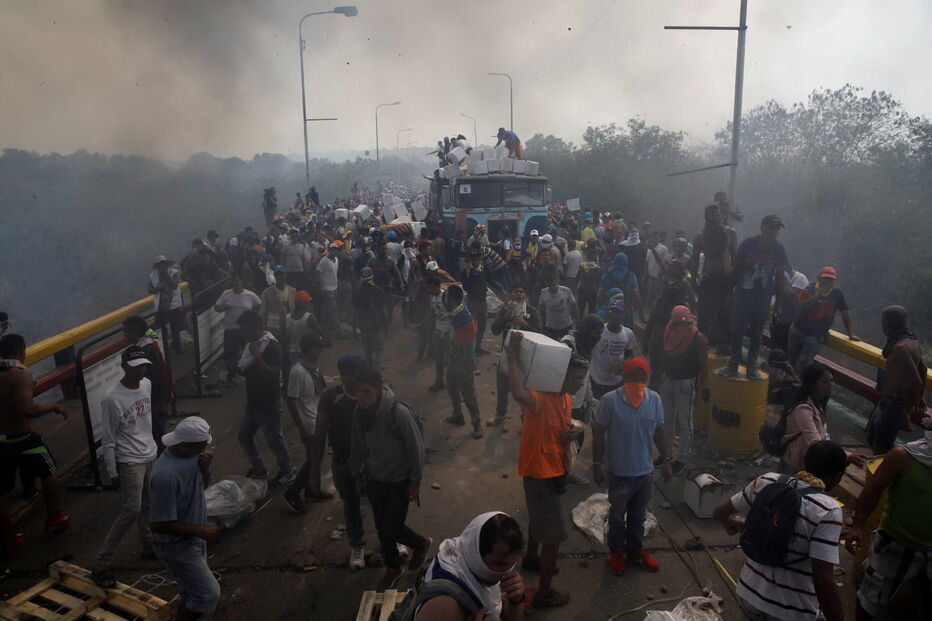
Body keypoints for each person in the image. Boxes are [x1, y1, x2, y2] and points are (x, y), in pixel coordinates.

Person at [712, 441, 847, 621]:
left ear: (804, 463)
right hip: (792, 610)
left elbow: (719, 513)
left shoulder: (767, 480)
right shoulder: (828, 510)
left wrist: (735, 524)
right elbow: (823, 579)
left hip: (750, 594)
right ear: (836, 477)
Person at [506, 332, 588, 609]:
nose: (581, 384)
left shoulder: (564, 399)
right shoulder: (540, 397)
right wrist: (512, 355)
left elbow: (567, 424)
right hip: (540, 472)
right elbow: (518, 392)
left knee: (539, 520)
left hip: (553, 469)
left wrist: (576, 428)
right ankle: (544, 592)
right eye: (577, 379)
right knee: (553, 537)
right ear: (562, 375)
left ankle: (530, 558)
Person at [350, 368, 432, 591]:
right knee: (381, 526)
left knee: (392, 527)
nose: (361, 396)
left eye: (366, 391)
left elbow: (416, 448)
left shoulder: (398, 413)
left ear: (378, 389)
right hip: (375, 478)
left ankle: (421, 543)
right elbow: (357, 445)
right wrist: (356, 475)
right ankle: (393, 567)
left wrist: (415, 481)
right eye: (357, 391)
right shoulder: (359, 412)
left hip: (399, 481)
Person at [592, 358, 672, 576]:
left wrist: (666, 461)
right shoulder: (610, 400)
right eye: (633, 378)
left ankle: (635, 552)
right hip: (618, 472)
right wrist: (597, 462)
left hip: (644, 473)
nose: (638, 382)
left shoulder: (654, 399)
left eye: (642, 378)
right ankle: (616, 552)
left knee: (638, 516)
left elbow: (659, 431)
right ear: (624, 378)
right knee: (617, 516)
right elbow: (598, 431)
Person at [845, 425, 932, 620]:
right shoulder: (903, 456)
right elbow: (873, 489)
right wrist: (857, 526)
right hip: (894, 543)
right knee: (870, 601)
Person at [92, 346, 158, 584]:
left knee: (149, 504)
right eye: (135, 366)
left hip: (150, 453)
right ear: (123, 367)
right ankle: (103, 560)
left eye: (143, 365)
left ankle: (149, 546)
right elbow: (108, 439)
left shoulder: (147, 384)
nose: (141, 369)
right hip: (129, 460)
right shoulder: (112, 398)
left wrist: (153, 449)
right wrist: (112, 470)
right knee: (131, 509)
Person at [0, 334, 69, 557]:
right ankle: (54, 517)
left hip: (1, 441)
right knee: (50, 473)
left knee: (2, 490)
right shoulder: (19, 374)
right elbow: (26, 409)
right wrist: (52, 407)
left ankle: (7, 540)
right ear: (21, 351)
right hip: (21, 438)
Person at [149, 416, 221, 621]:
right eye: (202, 446)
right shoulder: (166, 478)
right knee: (208, 594)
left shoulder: (191, 456)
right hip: (176, 546)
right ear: (187, 445)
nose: (205, 449)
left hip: (192, 540)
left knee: (191, 592)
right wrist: (200, 530)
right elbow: (158, 524)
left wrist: (205, 468)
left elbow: (201, 486)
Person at [309, 354, 369, 570]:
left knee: (383, 503)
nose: (348, 379)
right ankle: (357, 545)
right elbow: (320, 433)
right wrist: (314, 472)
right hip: (343, 461)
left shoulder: (373, 395)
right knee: (351, 505)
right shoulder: (331, 396)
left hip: (372, 463)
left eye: (352, 374)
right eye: (344, 374)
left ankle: (393, 537)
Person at [415, 513, 526, 621]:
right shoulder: (445, 607)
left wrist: (516, 601)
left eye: (512, 564)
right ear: (476, 555)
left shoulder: (469, 551)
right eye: (499, 564)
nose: (506, 572)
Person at [723, 215, 789, 380]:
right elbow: (736, 269)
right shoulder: (748, 244)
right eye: (771, 228)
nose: (774, 232)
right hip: (743, 294)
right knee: (738, 330)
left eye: (777, 228)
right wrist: (727, 293)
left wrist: (778, 304)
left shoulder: (779, 249)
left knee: (757, 333)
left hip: (763, 297)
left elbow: (780, 278)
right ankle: (733, 364)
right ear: (762, 228)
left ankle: (751, 367)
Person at [236, 310, 295, 487]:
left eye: (246, 330)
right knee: (244, 436)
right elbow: (246, 368)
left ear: (257, 327)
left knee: (274, 439)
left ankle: (287, 471)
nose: (244, 334)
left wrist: (258, 358)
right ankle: (259, 468)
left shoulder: (271, 346)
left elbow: (273, 374)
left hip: (268, 401)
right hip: (253, 400)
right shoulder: (253, 344)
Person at [781, 362, 868, 473]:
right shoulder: (803, 410)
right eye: (825, 381)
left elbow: (824, 436)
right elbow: (816, 442)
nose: (830, 384)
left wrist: (845, 454)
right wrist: (846, 455)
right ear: (812, 384)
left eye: (831, 380)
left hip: (806, 463)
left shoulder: (818, 404)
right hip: (793, 465)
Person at [866, 305, 927, 454]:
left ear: (887, 324)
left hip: (894, 403)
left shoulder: (901, 348)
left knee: (882, 447)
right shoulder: (913, 342)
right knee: (871, 436)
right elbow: (923, 370)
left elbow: (916, 381)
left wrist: (906, 412)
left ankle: (883, 474)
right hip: (887, 399)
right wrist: (920, 397)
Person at [283, 332, 330, 514]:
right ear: (311, 349)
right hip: (309, 425)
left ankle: (312, 490)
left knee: (316, 459)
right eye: (318, 347)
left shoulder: (312, 367)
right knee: (313, 460)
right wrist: (302, 427)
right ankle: (293, 492)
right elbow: (291, 400)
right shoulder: (298, 371)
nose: (321, 350)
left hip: (317, 421)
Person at [658, 306, 708, 475]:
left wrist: (700, 391)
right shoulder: (668, 333)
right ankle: (666, 455)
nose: (680, 327)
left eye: (684, 323)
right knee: (667, 421)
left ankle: (682, 459)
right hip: (668, 380)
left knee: (685, 424)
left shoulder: (697, 338)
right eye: (677, 323)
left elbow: (704, 367)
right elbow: (661, 357)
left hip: (685, 384)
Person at [488, 285, 540, 429]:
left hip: (525, 357)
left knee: (525, 390)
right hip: (506, 355)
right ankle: (500, 416)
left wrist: (524, 324)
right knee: (502, 386)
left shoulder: (531, 311)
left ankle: (526, 421)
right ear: (511, 295)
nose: (518, 294)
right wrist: (505, 319)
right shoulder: (505, 310)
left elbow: (540, 334)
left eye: (521, 291)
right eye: (515, 291)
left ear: (525, 296)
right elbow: (494, 331)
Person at [788, 266, 858, 373]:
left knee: (804, 363)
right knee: (791, 359)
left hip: (814, 336)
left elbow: (844, 313)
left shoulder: (837, 294)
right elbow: (801, 308)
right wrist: (819, 295)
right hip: (798, 330)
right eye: (825, 278)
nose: (827, 281)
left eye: (830, 279)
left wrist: (850, 334)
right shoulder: (809, 289)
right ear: (819, 278)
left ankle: (799, 385)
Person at [559, 315, 602, 486]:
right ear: (586, 330)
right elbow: (559, 375)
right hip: (564, 403)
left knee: (577, 439)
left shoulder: (586, 346)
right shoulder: (568, 344)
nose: (598, 338)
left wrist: (589, 398)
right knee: (562, 441)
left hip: (579, 404)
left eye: (600, 334)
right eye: (595, 333)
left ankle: (567, 472)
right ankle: (559, 476)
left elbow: (586, 376)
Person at [691, 204, 738, 351]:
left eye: (718, 215)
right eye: (713, 215)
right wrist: (693, 279)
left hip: (726, 278)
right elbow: (694, 260)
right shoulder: (700, 237)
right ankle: (704, 343)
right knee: (705, 313)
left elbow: (735, 258)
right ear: (707, 217)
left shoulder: (730, 233)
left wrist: (736, 279)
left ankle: (724, 344)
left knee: (725, 312)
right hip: (708, 278)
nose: (716, 218)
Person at [122, 316, 171, 449]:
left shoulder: (145, 351)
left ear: (135, 332)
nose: (124, 335)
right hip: (160, 398)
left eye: (126, 331)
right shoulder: (151, 340)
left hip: (154, 403)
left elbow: (150, 380)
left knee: (156, 438)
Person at [443, 285, 482, 439]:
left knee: (468, 394)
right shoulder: (456, 312)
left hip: (463, 361)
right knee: (452, 387)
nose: (444, 298)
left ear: (451, 299)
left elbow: (469, 344)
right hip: (454, 358)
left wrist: (469, 361)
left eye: (446, 296)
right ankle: (457, 415)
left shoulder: (464, 318)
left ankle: (477, 423)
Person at [214, 275, 261, 384]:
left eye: (238, 281)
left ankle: (249, 372)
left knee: (247, 351)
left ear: (242, 282)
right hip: (230, 328)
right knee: (230, 354)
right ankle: (232, 375)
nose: (236, 284)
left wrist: (253, 316)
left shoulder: (250, 294)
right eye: (234, 282)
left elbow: (259, 304)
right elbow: (216, 308)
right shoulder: (226, 293)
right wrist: (224, 308)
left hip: (245, 330)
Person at [589, 298, 637, 399]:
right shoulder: (599, 331)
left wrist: (623, 365)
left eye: (618, 312)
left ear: (623, 314)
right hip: (597, 381)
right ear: (608, 313)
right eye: (613, 312)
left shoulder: (628, 334)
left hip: (616, 382)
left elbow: (630, 354)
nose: (615, 316)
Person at [352, 267, 389, 368]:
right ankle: (376, 372)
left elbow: (354, 313)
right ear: (372, 277)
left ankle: (370, 370)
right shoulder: (379, 291)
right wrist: (386, 327)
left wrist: (354, 329)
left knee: (368, 351)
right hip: (377, 326)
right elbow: (384, 312)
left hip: (364, 327)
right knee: (378, 350)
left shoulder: (357, 293)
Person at [149, 255, 185, 354]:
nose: (162, 267)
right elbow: (150, 289)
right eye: (160, 265)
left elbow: (175, 285)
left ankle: (177, 348)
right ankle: (162, 348)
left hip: (173, 304)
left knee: (174, 328)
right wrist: (157, 288)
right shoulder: (153, 276)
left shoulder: (174, 273)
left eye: (163, 264)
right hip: (160, 306)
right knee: (160, 329)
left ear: (167, 264)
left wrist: (166, 277)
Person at [598, 253, 644, 328]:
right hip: (626, 313)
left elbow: (600, 295)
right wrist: (641, 314)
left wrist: (601, 308)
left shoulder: (607, 276)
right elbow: (637, 295)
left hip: (609, 313)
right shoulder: (631, 276)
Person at [461, 250, 490, 356]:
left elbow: (487, 282)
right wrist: (469, 273)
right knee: (472, 327)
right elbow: (466, 286)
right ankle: (470, 349)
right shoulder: (467, 272)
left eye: (477, 259)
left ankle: (478, 347)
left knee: (482, 325)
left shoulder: (483, 270)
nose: (475, 261)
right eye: (474, 260)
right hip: (472, 301)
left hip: (482, 300)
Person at [368, 242, 403, 326]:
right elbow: (367, 273)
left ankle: (388, 325)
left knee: (389, 308)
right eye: (382, 249)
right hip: (376, 288)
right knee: (377, 307)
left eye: (385, 249)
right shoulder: (372, 261)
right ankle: (378, 324)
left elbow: (397, 274)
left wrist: (401, 285)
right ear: (378, 250)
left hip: (388, 288)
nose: (384, 251)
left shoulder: (390, 261)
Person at [260, 266, 296, 344]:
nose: (279, 277)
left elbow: (295, 309)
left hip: (289, 324)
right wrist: (263, 328)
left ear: (285, 275)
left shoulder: (292, 291)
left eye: (281, 274)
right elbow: (262, 312)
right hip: (274, 325)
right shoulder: (267, 292)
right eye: (277, 274)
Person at [537, 271, 577, 341]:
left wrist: (576, 320)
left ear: (557, 281)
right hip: (550, 326)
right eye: (549, 284)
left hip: (566, 325)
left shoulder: (566, 291)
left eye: (553, 284)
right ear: (546, 283)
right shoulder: (543, 292)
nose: (552, 287)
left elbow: (574, 305)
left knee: (567, 344)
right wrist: (543, 323)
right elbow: (541, 308)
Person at [316, 243, 341, 337]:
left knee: (326, 310)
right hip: (327, 289)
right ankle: (337, 331)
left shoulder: (336, 260)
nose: (334, 251)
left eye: (336, 249)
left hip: (334, 287)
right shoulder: (324, 260)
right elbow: (317, 272)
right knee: (334, 310)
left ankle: (323, 329)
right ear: (329, 250)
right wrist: (320, 287)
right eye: (332, 250)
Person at [644, 232, 670, 306]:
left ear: (659, 239)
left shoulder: (663, 248)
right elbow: (647, 263)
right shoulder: (649, 250)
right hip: (650, 277)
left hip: (659, 278)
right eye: (653, 238)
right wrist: (645, 275)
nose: (654, 240)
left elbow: (665, 263)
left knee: (658, 297)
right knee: (649, 298)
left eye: (656, 238)